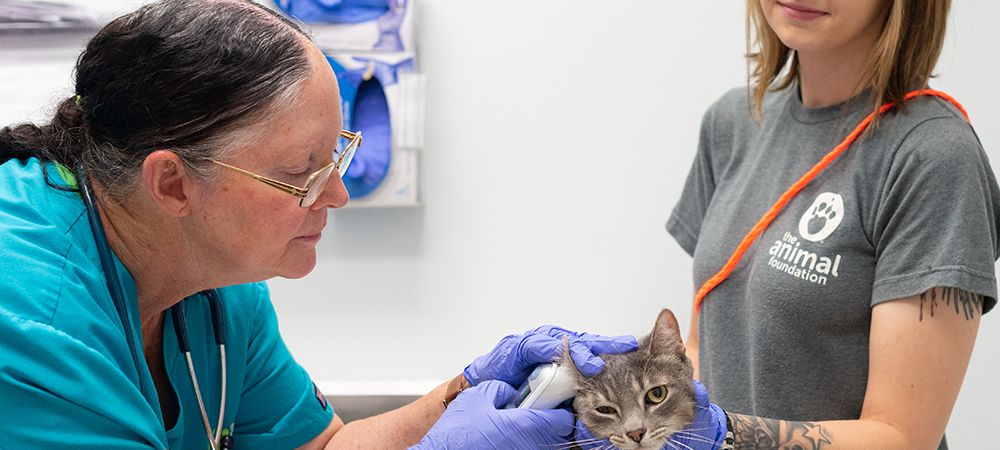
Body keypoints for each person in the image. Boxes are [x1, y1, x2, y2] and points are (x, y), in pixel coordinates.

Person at [0, 1, 639, 448]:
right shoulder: (27, 319)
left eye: (337, 153)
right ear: (173, 184)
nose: (336, 193)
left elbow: (320, 449)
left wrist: (467, 391)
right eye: (303, 170)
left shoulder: (218, 282)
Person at [637, 0, 998, 449]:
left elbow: (901, 437)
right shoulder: (732, 123)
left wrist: (726, 435)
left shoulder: (932, 157)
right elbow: (703, 349)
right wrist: (617, 394)